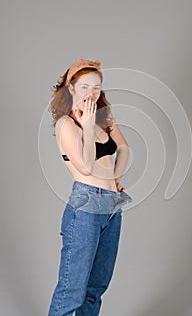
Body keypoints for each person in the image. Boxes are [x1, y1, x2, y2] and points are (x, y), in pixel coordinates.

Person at [47, 58, 133, 315]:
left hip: (111, 206)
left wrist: (115, 178)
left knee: (96, 289)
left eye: (97, 87)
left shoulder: (102, 117)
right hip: (85, 206)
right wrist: (85, 125)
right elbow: (85, 167)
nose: (92, 93)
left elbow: (125, 149)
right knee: (71, 290)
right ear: (70, 88)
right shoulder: (66, 124)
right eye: (85, 86)